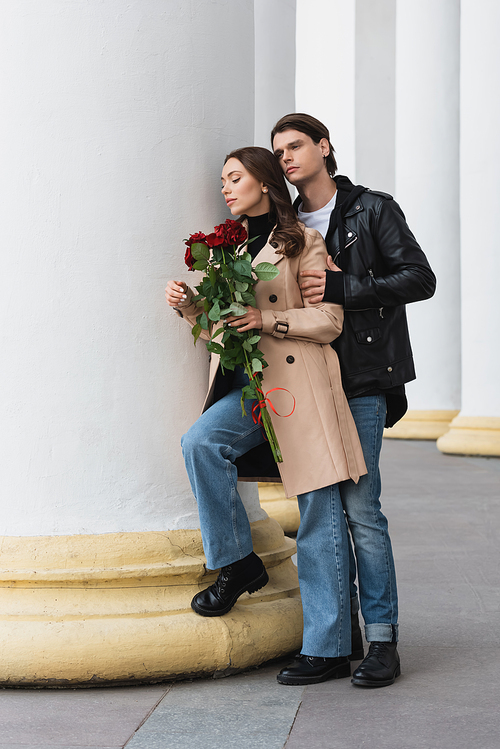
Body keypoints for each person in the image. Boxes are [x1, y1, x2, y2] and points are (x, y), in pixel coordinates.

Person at [165, 146, 367, 686]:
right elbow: (220, 333)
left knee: (318, 514)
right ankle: (237, 561)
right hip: (252, 388)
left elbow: (329, 321)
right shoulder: (220, 249)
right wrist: (191, 307)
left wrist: (270, 320)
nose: (226, 187)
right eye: (223, 180)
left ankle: (327, 648)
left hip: (299, 386)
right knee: (200, 443)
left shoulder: (301, 240)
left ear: (263, 181)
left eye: (235, 177)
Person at [271, 113, 436, 688]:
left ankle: (383, 641)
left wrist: (347, 287)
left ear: (324, 147)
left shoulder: (372, 209)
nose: (288, 157)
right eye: (280, 151)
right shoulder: (282, 223)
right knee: (319, 516)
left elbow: (419, 277)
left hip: (362, 380)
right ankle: (334, 643)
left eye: (297, 145)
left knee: (362, 511)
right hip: (306, 383)